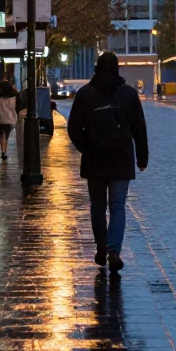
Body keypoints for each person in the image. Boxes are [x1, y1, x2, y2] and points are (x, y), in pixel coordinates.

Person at [67, 52, 148, 273]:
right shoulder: (129, 94)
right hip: (121, 158)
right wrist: (142, 158)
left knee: (98, 207)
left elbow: (73, 128)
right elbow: (139, 128)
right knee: (118, 206)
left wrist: (87, 148)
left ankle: (101, 247)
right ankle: (114, 251)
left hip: (95, 161)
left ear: (97, 69)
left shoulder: (85, 94)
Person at [0, 78, 18, 160]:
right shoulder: (14, 95)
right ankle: (4, 151)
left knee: (2, 134)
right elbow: (19, 106)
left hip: (1, 118)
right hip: (10, 119)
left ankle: (3, 152)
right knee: (6, 136)